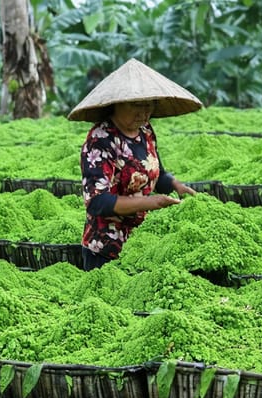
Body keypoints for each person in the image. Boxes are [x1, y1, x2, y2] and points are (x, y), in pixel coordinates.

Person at [67, 58, 202, 271]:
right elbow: (97, 202)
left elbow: (156, 172)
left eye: (149, 105)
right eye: (136, 105)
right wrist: (151, 203)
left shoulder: (145, 131)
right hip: (106, 247)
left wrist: (176, 185)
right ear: (117, 103)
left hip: (142, 242)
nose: (144, 113)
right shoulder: (101, 139)